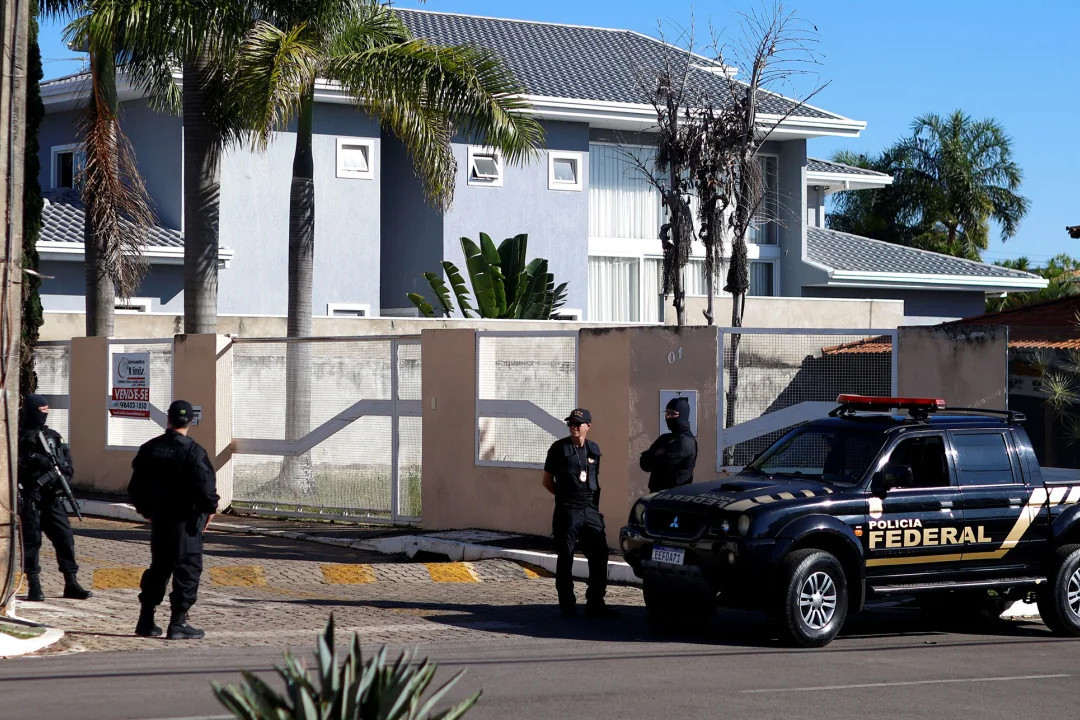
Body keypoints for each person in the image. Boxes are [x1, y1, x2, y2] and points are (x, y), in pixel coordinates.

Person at [128, 400, 219, 640]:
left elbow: (135, 487)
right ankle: (178, 622)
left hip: (160, 520)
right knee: (187, 569)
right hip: (186, 522)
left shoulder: (150, 448)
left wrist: (147, 511)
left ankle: (146, 620)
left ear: (168, 419)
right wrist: (210, 509)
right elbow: (206, 488)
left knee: (159, 568)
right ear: (190, 421)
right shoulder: (193, 451)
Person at [542, 408, 616, 619]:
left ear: (588, 426)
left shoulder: (593, 449)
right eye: (570, 424)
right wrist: (564, 497)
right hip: (568, 509)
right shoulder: (559, 449)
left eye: (577, 424)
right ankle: (567, 604)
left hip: (590, 508)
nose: (573, 427)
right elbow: (547, 481)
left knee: (600, 553)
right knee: (566, 556)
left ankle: (595, 602)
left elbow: (594, 481)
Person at [17, 394, 92, 601]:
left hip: (52, 497)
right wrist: (33, 460)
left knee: (65, 538)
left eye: (47, 410)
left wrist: (62, 476)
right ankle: (34, 584)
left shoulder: (53, 436)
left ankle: (71, 582)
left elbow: (66, 463)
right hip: (31, 496)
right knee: (32, 542)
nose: (45, 414)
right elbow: (12, 463)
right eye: (41, 410)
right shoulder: (18, 437)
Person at [639, 396, 698, 493]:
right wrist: (655, 456)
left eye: (672, 413)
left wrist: (653, 455)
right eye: (667, 413)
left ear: (682, 415)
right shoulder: (665, 438)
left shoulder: (685, 441)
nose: (667, 417)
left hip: (674, 497)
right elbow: (645, 464)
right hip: (657, 495)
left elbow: (660, 464)